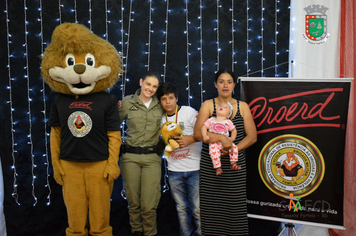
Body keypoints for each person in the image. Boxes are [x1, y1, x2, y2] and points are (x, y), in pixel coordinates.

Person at [193, 69, 257, 235]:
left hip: (235, 169)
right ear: (215, 84)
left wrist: (232, 149)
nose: (225, 85)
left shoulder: (243, 107)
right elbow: (198, 133)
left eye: (229, 81)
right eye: (221, 81)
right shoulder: (208, 105)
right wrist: (220, 139)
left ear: (234, 85)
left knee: (235, 212)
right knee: (211, 212)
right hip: (211, 169)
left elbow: (252, 137)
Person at [118, 71, 164, 236]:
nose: (150, 89)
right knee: (133, 202)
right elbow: (113, 125)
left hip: (152, 158)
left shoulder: (161, 104)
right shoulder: (126, 103)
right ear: (141, 82)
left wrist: (165, 143)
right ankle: (137, 231)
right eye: (148, 84)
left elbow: (171, 125)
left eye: (154, 86)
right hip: (130, 158)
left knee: (149, 204)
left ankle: (150, 233)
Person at [156, 82, 202, 236]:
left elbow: (204, 131)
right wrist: (169, 146)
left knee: (197, 208)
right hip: (174, 170)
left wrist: (191, 139)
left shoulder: (188, 112)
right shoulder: (162, 119)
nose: (168, 102)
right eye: (163, 99)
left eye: (170, 98)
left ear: (176, 98)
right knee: (181, 208)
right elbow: (164, 145)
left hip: (194, 168)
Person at [201, 102, 240, 176]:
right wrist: (204, 135)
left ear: (228, 115)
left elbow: (234, 130)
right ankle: (218, 168)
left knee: (234, 147)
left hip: (226, 141)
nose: (222, 107)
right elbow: (204, 127)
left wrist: (232, 138)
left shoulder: (228, 122)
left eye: (226, 107)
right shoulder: (211, 120)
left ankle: (233, 163)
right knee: (213, 152)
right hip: (214, 142)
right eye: (220, 105)